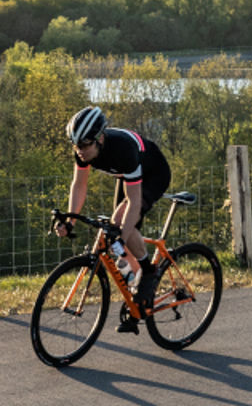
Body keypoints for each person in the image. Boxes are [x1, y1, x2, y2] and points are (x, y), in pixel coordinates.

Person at [54, 105, 171, 333]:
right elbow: (79, 185)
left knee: (120, 226)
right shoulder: (83, 150)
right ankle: (137, 294)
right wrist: (71, 221)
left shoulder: (122, 149)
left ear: (99, 139)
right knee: (116, 233)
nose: (80, 151)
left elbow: (134, 202)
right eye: (76, 145)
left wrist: (122, 237)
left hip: (153, 173)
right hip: (126, 175)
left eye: (85, 145)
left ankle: (148, 271)